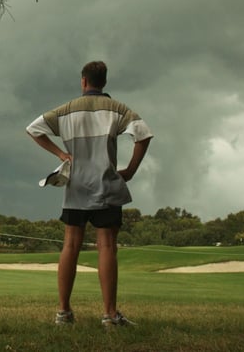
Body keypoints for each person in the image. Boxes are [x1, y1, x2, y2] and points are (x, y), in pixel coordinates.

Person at [26, 61, 153, 327]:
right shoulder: (116, 108)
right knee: (106, 246)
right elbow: (143, 135)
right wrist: (130, 170)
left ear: (83, 81)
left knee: (70, 245)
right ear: (103, 82)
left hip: (75, 187)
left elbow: (34, 128)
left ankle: (63, 312)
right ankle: (109, 314)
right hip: (106, 186)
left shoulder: (67, 109)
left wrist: (61, 154)